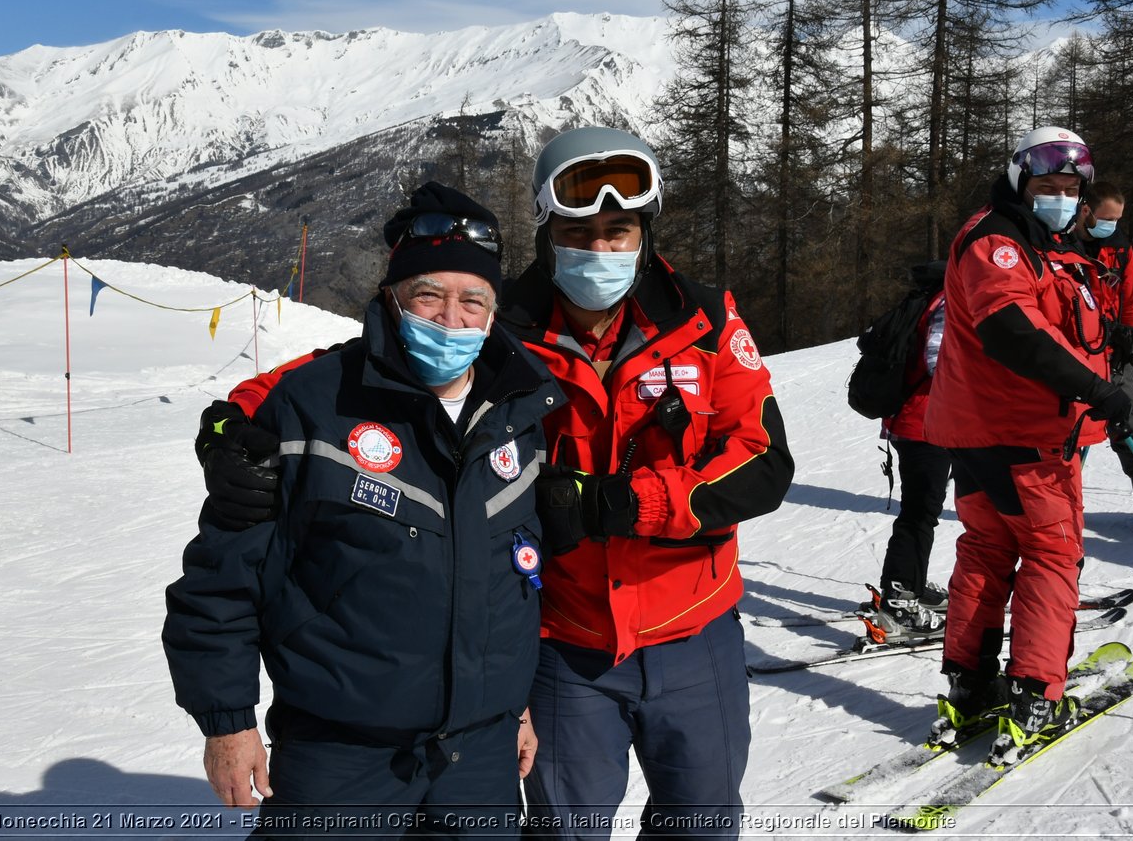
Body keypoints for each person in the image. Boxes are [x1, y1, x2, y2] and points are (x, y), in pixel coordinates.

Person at [199, 127, 795, 839]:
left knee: (702, 822)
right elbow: (363, 364)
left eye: (618, 231)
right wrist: (238, 422)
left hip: (691, 629)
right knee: (562, 829)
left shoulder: (702, 321)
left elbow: (764, 461)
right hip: (565, 642)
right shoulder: (502, 324)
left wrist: (628, 502)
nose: (600, 250)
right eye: (580, 231)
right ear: (548, 232)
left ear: (644, 232)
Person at [162, 182, 562, 835]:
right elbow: (220, 581)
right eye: (428, 294)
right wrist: (227, 720)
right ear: (392, 294)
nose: (450, 319)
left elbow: (516, 573)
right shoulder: (312, 406)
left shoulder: (519, 413)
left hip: (479, 756)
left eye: (472, 299)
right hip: (342, 751)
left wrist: (512, 703)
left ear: (494, 310)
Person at [923, 126, 1133, 765]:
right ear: (1022, 181)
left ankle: (969, 685)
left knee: (988, 551)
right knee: (1051, 556)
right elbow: (1012, 331)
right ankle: (1034, 695)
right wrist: (1095, 391)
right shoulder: (998, 240)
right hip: (1024, 436)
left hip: (986, 433)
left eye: (1070, 189)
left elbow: (1058, 318)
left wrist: (1111, 340)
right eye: (1048, 187)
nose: (1060, 198)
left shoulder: (1038, 242)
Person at [862, 261, 951, 640]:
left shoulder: (923, 301)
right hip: (926, 423)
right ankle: (898, 603)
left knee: (921, 511)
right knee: (919, 513)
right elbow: (937, 362)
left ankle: (910, 585)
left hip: (911, 420)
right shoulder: (946, 304)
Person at [1075, 182, 1133, 539]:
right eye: (1107, 218)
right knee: (1071, 428)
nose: (1112, 224)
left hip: (1116, 353)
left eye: (1118, 219)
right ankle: (1060, 504)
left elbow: (1131, 297)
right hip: (1080, 352)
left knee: (1130, 422)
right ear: (1086, 211)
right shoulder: (1065, 244)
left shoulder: (1120, 247)